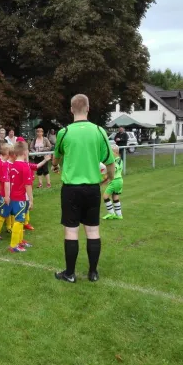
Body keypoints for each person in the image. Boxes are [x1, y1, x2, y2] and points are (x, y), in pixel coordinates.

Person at [52, 94, 115, 283]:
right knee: (93, 231)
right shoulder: (99, 131)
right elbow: (110, 162)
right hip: (92, 189)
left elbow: (56, 157)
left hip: (71, 189)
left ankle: (70, 274)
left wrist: (55, 165)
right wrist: (109, 178)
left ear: (71, 110)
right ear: (88, 108)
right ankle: (93, 273)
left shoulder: (64, 133)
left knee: (71, 231)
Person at [2, 141, 34, 253]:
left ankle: (20, 241)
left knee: (21, 219)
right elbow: (28, 185)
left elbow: (7, 181)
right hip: (21, 198)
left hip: (14, 197)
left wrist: (7, 195)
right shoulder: (25, 167)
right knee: (19, 220)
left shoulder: (12, 165)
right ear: (25, 152)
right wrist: (31, 199)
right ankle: (13, 245)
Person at [102, 145, 124, 220]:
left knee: (105, 196)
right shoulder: (119, 160)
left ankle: (111, 213)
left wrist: (106, 174)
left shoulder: (117, 161)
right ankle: (119, 215)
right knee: (115, 197)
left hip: (115, 181)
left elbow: (113, 169)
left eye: (110, 152)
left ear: (115, 152)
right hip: (119, 180)